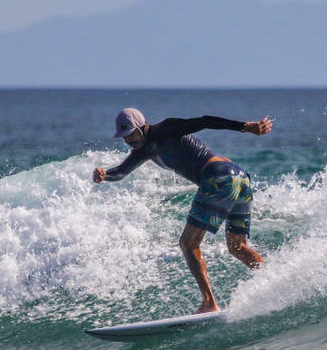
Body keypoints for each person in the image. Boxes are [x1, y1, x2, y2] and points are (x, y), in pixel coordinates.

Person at [93, 108, 273, 314]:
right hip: (239, 178)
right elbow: (120, 173)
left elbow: (205, 120)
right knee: (237, 247)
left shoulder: (167, 128)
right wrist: (104, 174)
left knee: (188, 244)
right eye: (123, 137)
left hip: (219, 177)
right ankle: (275, 282)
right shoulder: (143, 150)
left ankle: (209, 303)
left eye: (130, 134)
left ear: (141, 127)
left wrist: (245, 127)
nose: (127, 141)